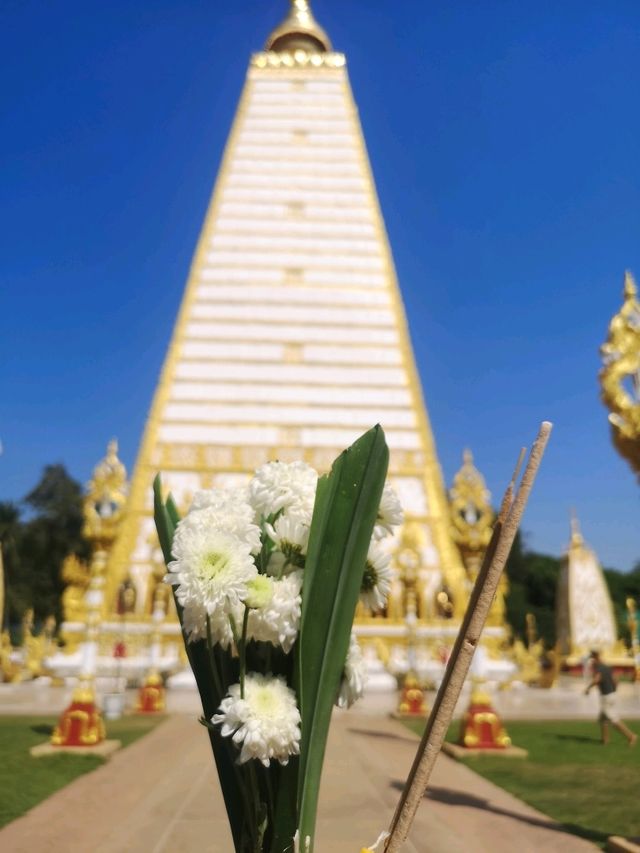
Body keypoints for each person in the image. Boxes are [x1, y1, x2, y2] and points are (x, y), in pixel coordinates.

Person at [584, 650, 637, 746]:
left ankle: (631, 736)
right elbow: (616, 681)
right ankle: (605, 740)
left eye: (592, 659)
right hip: (611, 695)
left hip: (606, 697)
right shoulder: (607, 667)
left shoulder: (599, 668)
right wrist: (613, 691)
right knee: (603, 720)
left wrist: (588, 689)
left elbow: (597, 679)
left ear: (596, 658)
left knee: (614, 720)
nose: (591, 661)